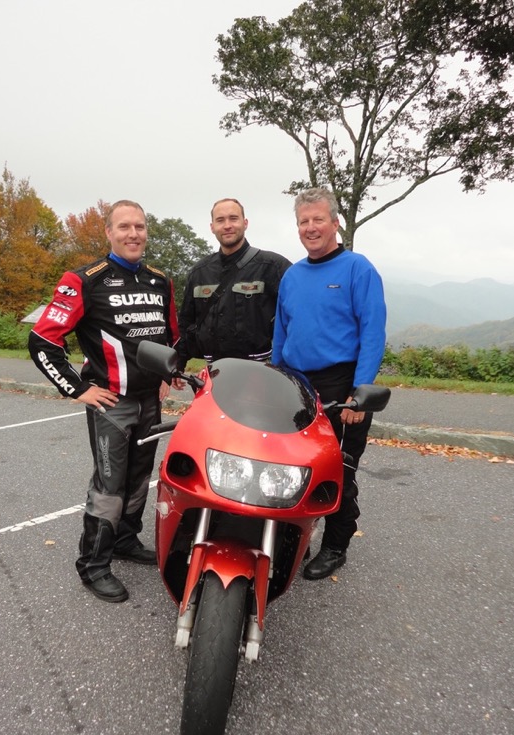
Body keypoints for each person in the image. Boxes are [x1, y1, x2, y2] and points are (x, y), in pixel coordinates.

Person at [28, 200, 179, 603]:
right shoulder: (83, 280)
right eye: (124, 227)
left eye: (140, 226)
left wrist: (168, 374)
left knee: (137, 479)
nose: (133, 234)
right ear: (109, 233)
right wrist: (78, 389)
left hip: (150, 401)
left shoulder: (160, 281)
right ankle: (93, 565)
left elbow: (171, 335)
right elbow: (42, 340)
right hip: (111, 403)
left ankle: (126, 541)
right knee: (110, 486)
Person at [271, 187, 387, 581]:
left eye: (318, 219)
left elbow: (373, 332)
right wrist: (275, 379)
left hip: (344, 384)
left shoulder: (358, 269)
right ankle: (291, 536)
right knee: (290, 466)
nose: (310, 227)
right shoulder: (292, 275)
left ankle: (336, 545)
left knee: (337, 470)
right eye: (303, 221)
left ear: (335, 223)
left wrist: (360, 394)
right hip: (297, 383)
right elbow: (280, 335)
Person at [177, 198, 291, 369]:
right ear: (212, 227)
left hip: (261, 372)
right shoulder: (199, 272)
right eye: (220, 220)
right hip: (213, 372)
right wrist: (178, 364)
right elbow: (185, 324)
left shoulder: (273, 266)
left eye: (233, 218)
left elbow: (297, 318)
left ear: (245, 223)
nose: (227, 225)